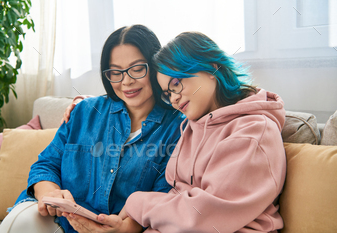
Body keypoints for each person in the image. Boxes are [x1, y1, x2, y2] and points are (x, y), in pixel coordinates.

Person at [64, 32, 287, 233]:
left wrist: (136, 203)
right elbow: (175, 195)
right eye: (167, 92)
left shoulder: (253, 133)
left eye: (177, 84)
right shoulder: (193, 125)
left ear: (212, 68)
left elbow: (201, 216)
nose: (174, 98)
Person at [0, 25, 185, 233]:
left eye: (137, 69)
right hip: (53, 221)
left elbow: (164, 198)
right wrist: (50, 193)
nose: (127, 81)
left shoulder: (177, 129)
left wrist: (126, 228)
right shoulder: (84, 111)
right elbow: (46, 163)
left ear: (155, 66)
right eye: (115, 72)